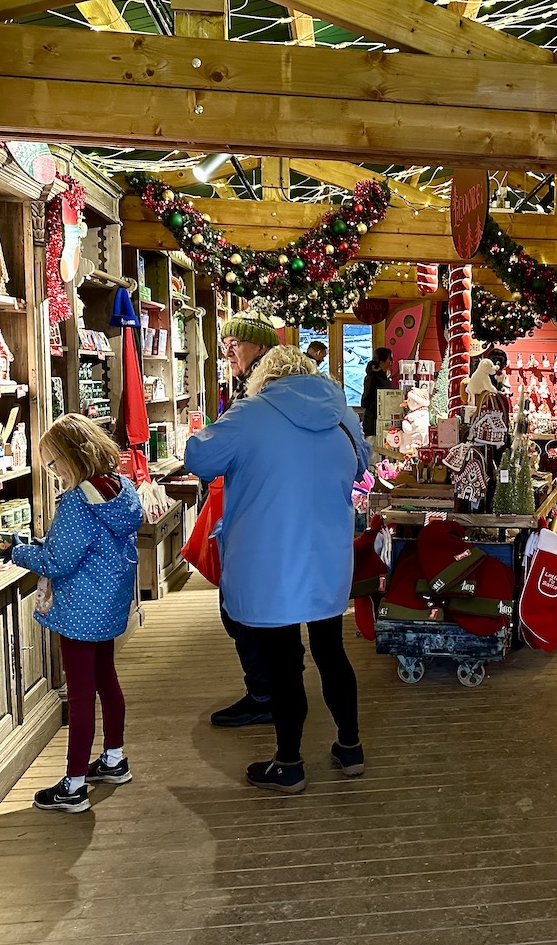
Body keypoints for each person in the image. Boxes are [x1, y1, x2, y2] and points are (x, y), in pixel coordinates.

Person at [185, 345, 371, 794]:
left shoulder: (250, 414)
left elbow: (198, 459)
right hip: (327, 553)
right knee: (332, 651)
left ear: (263, 378)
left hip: (268, 558)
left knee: (285, 663)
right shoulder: (342, 414)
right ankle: (350, 748)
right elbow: (362, 462)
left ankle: (288, 762)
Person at [2, 415, 143, 813]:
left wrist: (17, 552)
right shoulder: (121, 489)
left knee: (80, 696)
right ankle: (113, 759)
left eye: (53, 463)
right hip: (109, 606)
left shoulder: (79, 501)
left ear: (71, 457)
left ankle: (75, 784)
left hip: (80, 609)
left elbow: (57, 560)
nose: (53, 472)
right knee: (107, 681)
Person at [211, 311, 282, 726]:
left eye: (235, 341)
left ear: (259, 346)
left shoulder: (259, 396)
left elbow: (205, 455)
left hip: (259, 518)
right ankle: (271, 688)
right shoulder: (255, 390)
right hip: (263, 514)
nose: (228, 350)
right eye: (226, 343)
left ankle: (265, 694)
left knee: (242, 608)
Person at [360, 346, 394, 440]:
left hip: (377, 422)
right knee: (374, 451)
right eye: (389, 359)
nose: (392, 362)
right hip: (373, 424)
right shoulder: (374, 378)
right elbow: (366, 401)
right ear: (382, 362)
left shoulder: (380, 377)